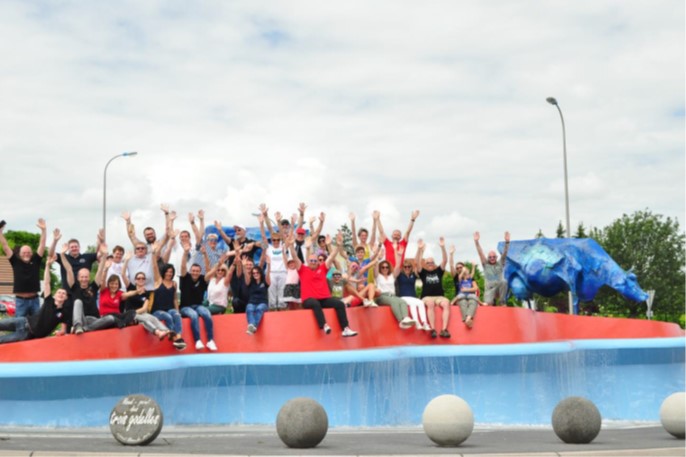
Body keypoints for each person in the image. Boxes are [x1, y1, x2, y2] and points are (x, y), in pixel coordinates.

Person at [287, 232, 358, 337]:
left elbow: (331, 257)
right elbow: (294, 256)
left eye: (315, 261)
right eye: (311, 260)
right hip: (308, 300)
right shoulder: (302, 269)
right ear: (308, 261)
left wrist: (338, 246)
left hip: (323, 299)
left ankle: (345, 329)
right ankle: (324, 325)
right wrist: (291, 245)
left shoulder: (322, 268)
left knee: (339, 304)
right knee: (315, 303)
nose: (313, 262)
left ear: (318, 262)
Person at [0, 254, 68, 344]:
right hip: (22, 321)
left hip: (27, 334)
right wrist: (47, 266)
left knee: (1, 340)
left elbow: (63, 330)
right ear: (54, 295)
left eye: (63, 293)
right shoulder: (49, 301)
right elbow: (47, 283)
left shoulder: (63, 313)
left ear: (66, 298)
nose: (61, 294)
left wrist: (60, 332)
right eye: (59, 292)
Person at [60, 241, 117, 334]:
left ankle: (86, 329)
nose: (84, 279)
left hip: (94, 320)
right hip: (81, 319)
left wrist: (105, 254)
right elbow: (69, 269)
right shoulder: (74, 287)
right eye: (82, 277)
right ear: (78, 278)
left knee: (110, 318)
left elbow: (100, 270)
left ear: (89, 277)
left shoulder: (93, 287)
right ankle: (78, 326)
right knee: (78, 302)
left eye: (86, 277)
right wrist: (62, 254)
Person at [0, 218, 47, 317]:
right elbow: (5, 246)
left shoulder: (36, 261)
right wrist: (0, 232)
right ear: (20, 254)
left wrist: (43, 230)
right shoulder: (15, 261)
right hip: (21, 301)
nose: (26, 254)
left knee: (36, 324)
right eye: (24, 252)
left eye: (28, 252)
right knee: (20, 324)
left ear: (31, 253)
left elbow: (42, 246)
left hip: (34, 300)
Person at [120, 265, 174, 342]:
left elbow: (144, 308)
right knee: (145, 319)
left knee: (153, 318)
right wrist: (126, 261)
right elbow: (123, 274)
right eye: (138, 278)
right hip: (129, 314)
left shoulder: (147, 293)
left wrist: (136, 312)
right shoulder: (131, 287)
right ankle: (158, 332)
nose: (141, 280)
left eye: (143, 278)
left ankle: (167, 331)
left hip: (140, 313)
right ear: (135, 280)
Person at [179, 241, 217, 351]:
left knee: (206, 313)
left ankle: (210, 340)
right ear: (190, 271)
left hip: (198, 305)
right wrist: (185, 252)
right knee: (194, 315)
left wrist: (205, 254)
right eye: (193, 271)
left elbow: (209, 270)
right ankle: (197, 341)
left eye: (197, 271)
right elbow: (183, 266)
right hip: (185, 307)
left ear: (200, 272)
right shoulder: (185, 277)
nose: (195, 272)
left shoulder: (202, 279)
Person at [149, 247, 188, 349]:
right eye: (167, 271)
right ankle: (174, 338)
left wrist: (177, 311)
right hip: (157, 311)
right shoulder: (158, 281)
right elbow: (154, 267)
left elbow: (175, 299)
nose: (169, 273)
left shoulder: (174, 283)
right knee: (168, 317)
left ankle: (178, 336)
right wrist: (153, 254)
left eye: (171, 272)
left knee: (176, 315)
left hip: (170, 308)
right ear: (164, 272)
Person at [417, 237, 451, 339]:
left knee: (446, 303)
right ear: (425, 264)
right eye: (428, 263)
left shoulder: (439, 271)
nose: (430, 264)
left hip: (439, 296)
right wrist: (420, 250)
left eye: (432, 262)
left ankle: (444, 330)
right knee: (430, 304)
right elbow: (417, 263)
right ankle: (432, 329)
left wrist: (442, 247)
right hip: (427, 297)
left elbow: (445, 260)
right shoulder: (423, 272)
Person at [374, 251, 416, 329]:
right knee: (394, 302)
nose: (385, 269)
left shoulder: (392, 276)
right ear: (380, 268)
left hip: (392, 296)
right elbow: (375, 266)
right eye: (383, 267)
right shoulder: (378, 276)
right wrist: (377, 256)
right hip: (382, 296)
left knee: (402, 301)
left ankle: (406, 318)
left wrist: (399, 256)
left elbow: (397, 266)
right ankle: (401, 321)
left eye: (387, 267)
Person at [257, 212, 288, 311]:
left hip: (283, 273)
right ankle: (272, 311)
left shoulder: (283, 246)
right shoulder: (268, 248)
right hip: (271, 273)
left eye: (277, 240)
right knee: (272, 295)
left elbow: (284, 237)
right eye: (274, 240)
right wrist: (261, 224)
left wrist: (278, 221)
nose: (276, 241)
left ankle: (282, 312)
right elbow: (263, 237)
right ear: (271, 240)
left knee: (282, 294)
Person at [474, 231, 511, 305]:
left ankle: (502, 302)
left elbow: (505, 254)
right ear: (488, 258)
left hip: (499, 288)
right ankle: (491, 302)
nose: (492, 258)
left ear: (496, 257)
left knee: (504, 282)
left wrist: (507, 243)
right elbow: (480, 253)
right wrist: (476, 242)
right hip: (489, 290)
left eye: (494, 257)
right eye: (490, 257)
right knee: (488, 304)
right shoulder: (485, 264)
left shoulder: (500, 263)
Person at [397, 256, 430, 331]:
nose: (407, 268)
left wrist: (420, 251)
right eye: (405, 267)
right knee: (415, 303)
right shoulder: (400, 275)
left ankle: (424, 323)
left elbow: (417, 265)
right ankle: (417, 322)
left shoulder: (413, 275)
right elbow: (397, 266)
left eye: (409, 267)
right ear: (403, 268)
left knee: (419, 303)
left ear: (411, 268)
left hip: (413, 297)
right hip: (403, 297)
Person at [244, 253, 270, 334]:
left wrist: (269, 265)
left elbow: (268, 275)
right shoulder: (250, 282)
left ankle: (252, 326)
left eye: (257, 272)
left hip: (263, 303)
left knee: (259, 308)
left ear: (260, 273)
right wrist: (244, 266)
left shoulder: (265, 282)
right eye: (254, 273)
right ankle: (253, 326)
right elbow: (246, 276)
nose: (255, 274)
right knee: (249, 308)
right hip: (252, 302)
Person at [450, 263, 479, 329]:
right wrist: (463, 271)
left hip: (469, 295)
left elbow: (475, 287)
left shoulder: (470, 278)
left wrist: (473, 266)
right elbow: (460, 276)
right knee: (463, 302)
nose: (459, 269)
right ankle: (467, 320)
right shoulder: (459, 278)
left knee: (473, 301)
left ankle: (467, 319)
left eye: (461, 267)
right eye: (457, 268)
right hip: (461, 296)